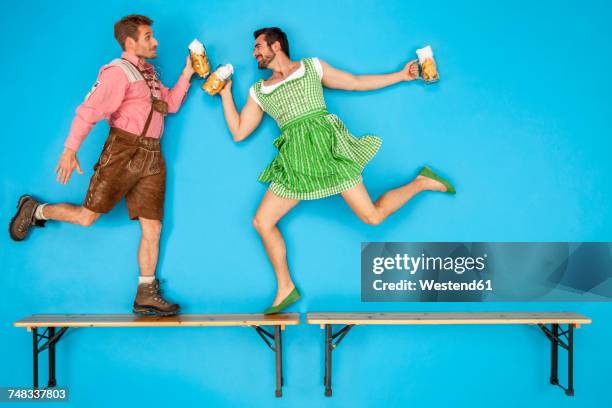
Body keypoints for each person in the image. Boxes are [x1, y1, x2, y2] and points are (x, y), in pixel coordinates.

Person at [218, 27, 456, 314]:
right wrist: (225, 94)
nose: (254, 52)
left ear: (276, 45)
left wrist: (401, 75)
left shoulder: (311, 67)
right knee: (262, 221)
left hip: (330, 151)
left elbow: (354, 82)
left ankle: (421, 182)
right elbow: (240, 131)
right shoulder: (259, 91)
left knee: (372, 216)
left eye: (258, 46)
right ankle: (285, 287)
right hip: (297, 163)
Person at [8, 14, 195, 316]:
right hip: (123, 152)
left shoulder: (147, 73)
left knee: (153, 228)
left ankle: (146, 293)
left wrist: (187, 73)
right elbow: (89, 111)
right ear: (130, 42)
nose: (156, 41)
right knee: (87, 218)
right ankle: (35, 210)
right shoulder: (117, 72)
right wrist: (70, 150)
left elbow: (170, 105)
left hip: (153, 156)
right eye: (149, 36)